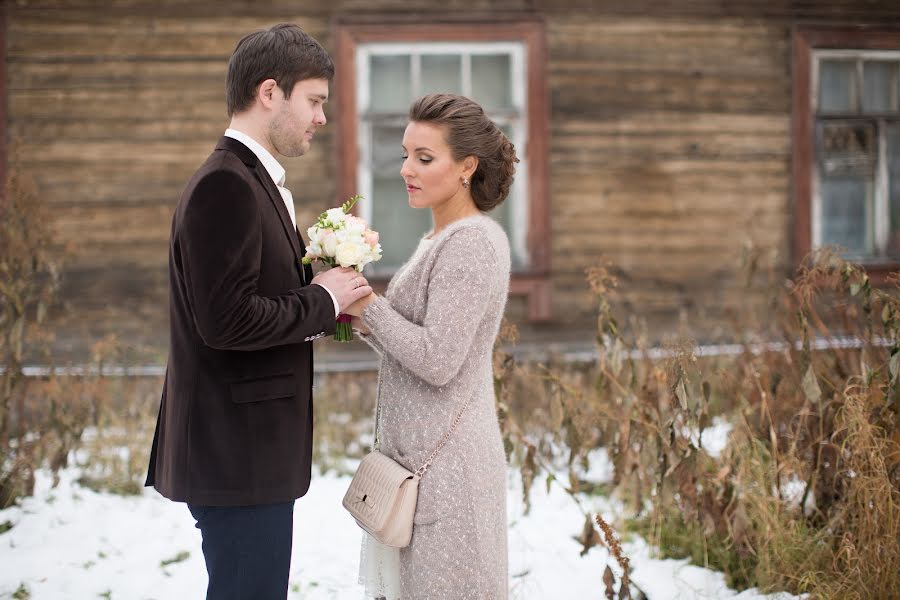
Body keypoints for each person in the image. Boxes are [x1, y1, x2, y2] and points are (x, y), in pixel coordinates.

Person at [144, 24, 372, 600]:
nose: (322, 117)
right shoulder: (225, 185)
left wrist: (320, 291)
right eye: (315, 101)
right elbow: (226, 321)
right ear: (270, 93)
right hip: (235, 454)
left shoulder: (252, 181)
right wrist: (323, 300)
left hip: (249, 453)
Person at [346, 93, 518, 599]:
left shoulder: (471, 243)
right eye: (405, 154)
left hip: (450, 474)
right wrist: (360, 317)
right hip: (420, 468)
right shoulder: (440, 238)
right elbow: (420, 351)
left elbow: (438, 361)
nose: (406, 169)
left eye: (425, 158)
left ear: (467, 166)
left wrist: (368, 306)